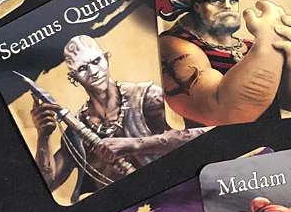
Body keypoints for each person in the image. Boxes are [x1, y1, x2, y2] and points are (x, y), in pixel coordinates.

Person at [32, 35, 203, 202]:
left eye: (96, 61)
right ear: (74, 77)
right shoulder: (77, 129)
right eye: (83, 68)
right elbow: (48, 184)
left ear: (106, 59)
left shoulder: (146, 97)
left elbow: (200, 134)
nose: (93, 72)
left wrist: (135, 144)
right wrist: (43, 136)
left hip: (177, 194)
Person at [158, 0, 291, 126]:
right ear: (197, 7)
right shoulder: (175, 44)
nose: (227, 6)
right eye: (215, 1)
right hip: (217, 141)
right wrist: (269, 41)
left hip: (273, 136)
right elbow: (224, 113)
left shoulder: (251, 46)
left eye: (232, 1)